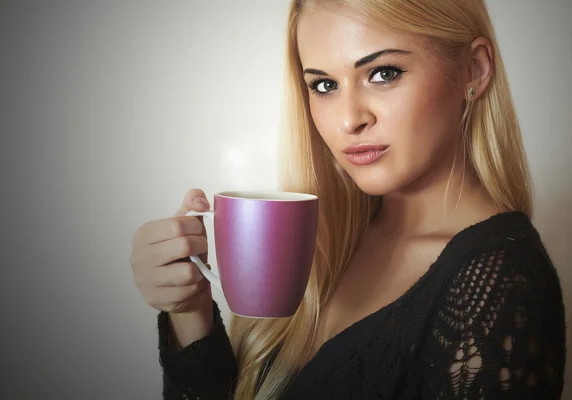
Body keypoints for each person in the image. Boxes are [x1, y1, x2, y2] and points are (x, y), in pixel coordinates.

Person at [130, 0, 567, 399]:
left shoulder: (501, 282)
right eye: (323, 85)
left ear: (473, 69)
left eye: (383, 73)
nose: (348, 119)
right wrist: (190, 312)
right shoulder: (326, 241)